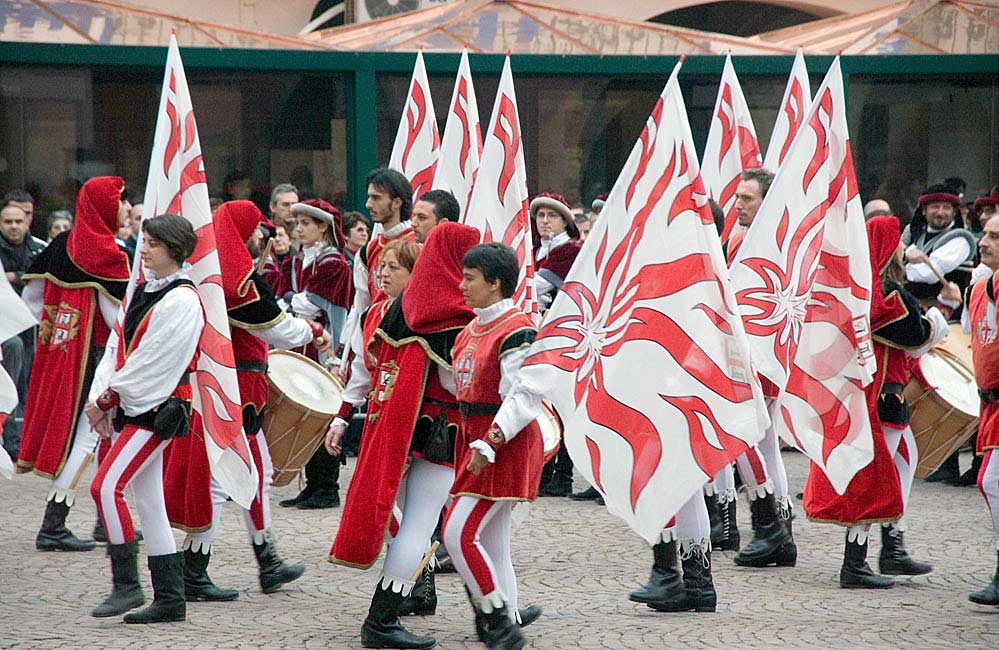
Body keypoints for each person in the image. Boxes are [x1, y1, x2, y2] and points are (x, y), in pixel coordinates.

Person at [162, 200, 329, 602]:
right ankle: (198, 570)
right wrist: (313, 331)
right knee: (225, 480)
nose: (261, 237)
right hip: (232, 389)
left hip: (235, 388)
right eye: (256, 229)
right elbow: (277, 327)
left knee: (254, 474)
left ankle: (264, 561)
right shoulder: (238, 281)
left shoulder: (221, 275)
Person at [329, 222, 478, 650]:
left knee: (433, 525)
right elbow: (457, 384)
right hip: (441, 432)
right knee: (421, 525)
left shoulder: (400, 307)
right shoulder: (450, 315)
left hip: (404, 428)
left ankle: (498, 608)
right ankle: (382, 619)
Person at [805, 215, 948, 589]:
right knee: (875, 477)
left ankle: (892, 543)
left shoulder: (859, 293)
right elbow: (917, 335)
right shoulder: (887, 296)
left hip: (878, 394)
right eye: (897, 241)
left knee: (904, 461)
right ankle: (857, 561)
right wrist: (940, 317)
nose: (903, 247)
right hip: (885, 397)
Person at [87, 214, 202, 623]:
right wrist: (102, 395)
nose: (144, 248)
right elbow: (117, 343)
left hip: (159, 409)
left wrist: (106, 398)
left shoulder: (183, 299)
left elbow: (153, 363)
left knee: (105, 487)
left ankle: (127, 585)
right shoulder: (144, 289)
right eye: (145, 241)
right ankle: (171, 599)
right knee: (150, 501)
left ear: (174, 248)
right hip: (138, 405)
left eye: (153, 243)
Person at [15, 177, 131, 552]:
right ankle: (53, 525)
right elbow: (119, 322)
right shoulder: (109, 255)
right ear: (104, 207)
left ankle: (106, 519)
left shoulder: (61, 244)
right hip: (95, 361)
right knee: (87, 439)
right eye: (120, 202)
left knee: (105, 439)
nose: (125, 209)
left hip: (59, 355)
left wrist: (53, 339)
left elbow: (31, 300)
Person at [443, 242, 546, 649]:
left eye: (470, 279)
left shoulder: (517, 329)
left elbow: (523, 395)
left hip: (503, 441)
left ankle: (498, 623)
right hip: (474, 437)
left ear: (495, 282)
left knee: (458, 534)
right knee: (492, 542)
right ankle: (509, 621)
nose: (462, 285)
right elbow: (461, 382)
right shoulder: (471, 328)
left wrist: (492, 440)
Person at [276, 199, 353, 510]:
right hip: (302, 341)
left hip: (324, 346)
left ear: (324, 226)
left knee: (323, 412)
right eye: (298, 224)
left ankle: (327, 486)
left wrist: (337, 356)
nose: (299, 229)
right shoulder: (296, 262)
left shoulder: (334, 263)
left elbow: (327, 309)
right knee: (304, 412)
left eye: (307, 223)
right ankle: (312, 483)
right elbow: (289, 299)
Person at [530, 192, 581, 497]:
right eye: (540, 216)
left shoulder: (569, 252)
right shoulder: (536, 251)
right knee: (542, 402)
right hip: (539, 333)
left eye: (552, 216)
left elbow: (534, 287)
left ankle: (562, 475)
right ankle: (545, 470)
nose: (545, 221)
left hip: (564, 336)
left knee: (561, 405)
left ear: (565, 221)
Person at [965, 212, 999, 606]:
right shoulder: (979, 286)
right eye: (984, 234)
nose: (984, 241)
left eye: (995, 236)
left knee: (990, 482)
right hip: (989, 402)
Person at [902, 183, 976, 307]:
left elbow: (929, 274)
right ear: (924, 210)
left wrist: (900, 267)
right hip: (909, 308)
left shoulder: (960, 240)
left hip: (943, 314)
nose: (940, 213)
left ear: (954, 212)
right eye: (935, 207)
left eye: (946, 208)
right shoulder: (912, 232)